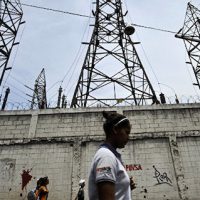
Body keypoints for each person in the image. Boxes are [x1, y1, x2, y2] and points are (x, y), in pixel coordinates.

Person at [88, 111, 136, 200]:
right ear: (115, 130)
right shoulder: (106, 157)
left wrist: (125, 187)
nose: (128, 137)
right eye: (126, 132)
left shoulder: (112, 156)